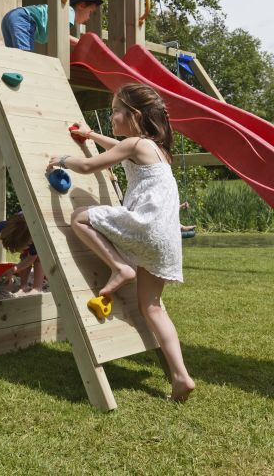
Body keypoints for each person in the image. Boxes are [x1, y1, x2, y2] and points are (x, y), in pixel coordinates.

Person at [47, 83, 195, 402]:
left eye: (115, 111)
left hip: (145, 227)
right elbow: (118, 145)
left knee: (79, 219)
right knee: (152, 308)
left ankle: (119, 268)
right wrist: (91, 135)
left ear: (134, 115)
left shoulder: (134, 144)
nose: (111, 117)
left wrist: (62, 157)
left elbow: (88, 165)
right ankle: (181, 377)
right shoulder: (157, 151)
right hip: (165, 238)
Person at [1, 0, 103, 51]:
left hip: (12, 17)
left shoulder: (63, 11)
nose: (89, 17)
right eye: (90, 12)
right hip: (24, 19)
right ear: (81, 5)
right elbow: (63, 37)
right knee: (25, 57)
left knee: (13, 56)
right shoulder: (68, 12)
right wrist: (82, 44)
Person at [0, 212, 45, 295]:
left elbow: (30, 259)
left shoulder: (35, 237)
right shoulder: (7, 227)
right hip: (23, 223)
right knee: (24, 256)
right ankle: (23, 286)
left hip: (41, 226)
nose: (21, 250)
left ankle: (37, 287)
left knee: (39, 259)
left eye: (24, 247)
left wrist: (13, 270)